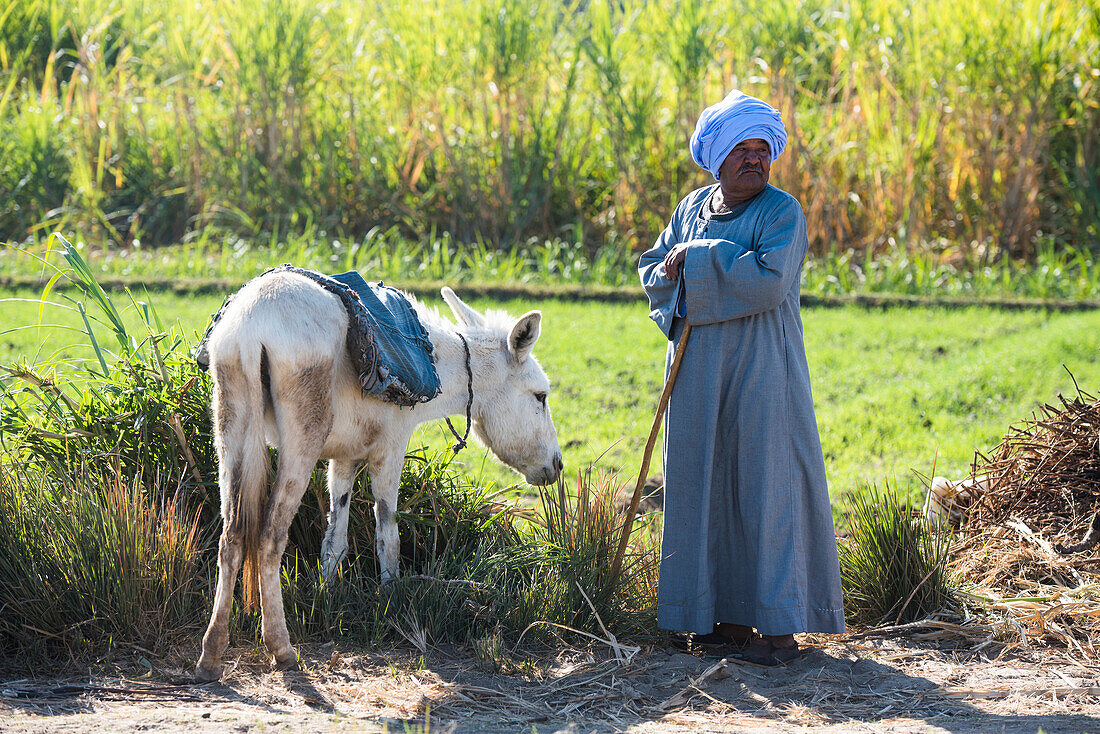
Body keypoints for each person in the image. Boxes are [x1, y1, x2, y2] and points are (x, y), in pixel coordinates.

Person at [638, 90, 845, 666]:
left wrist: (698, 259)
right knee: (701, 484)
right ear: (718, 156)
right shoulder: (692, 207)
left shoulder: (782, 213)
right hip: (698, 370)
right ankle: (713, 621)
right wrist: (678, 266)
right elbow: (655, 269)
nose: (754, 159)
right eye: (741, 149)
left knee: (765, 485)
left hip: (762, 370)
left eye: (762, 149)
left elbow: (770, 280)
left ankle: (778, 632)